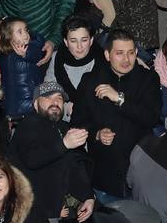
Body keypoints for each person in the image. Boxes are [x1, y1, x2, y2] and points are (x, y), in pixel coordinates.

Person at [68, 30, 162, 205]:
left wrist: (119, 99)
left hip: (141, 175)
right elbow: (77, 124)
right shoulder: (91, 81)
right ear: (107, 54)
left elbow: (151, 117)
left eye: (131, 53)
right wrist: (96, 134)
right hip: (105, 176)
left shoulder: (148, 79)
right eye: (119, 53)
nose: (126, 59)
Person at [7, 83, 96, 223]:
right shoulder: (28, 125)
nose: (54, 102)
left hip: (53, 211)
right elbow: (32, 159)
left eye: (59, 98)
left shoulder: (62, 127)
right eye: (47, 98)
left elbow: (73, 164)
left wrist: (87, 196)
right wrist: (64, 144)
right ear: (36, 104)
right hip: (29, 213)